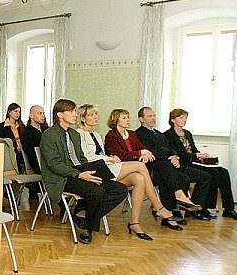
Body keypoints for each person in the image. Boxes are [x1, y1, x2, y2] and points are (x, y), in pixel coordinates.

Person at [76, 104, 181, 238]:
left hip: (106, 166)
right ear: (83, 118)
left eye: (96, 114)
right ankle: (159, 207)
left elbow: (103, 153)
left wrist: (109, 158)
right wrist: (109, 158)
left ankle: (134, 223)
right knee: (140, 166)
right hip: (94, 169)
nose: (95, 117)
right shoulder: (79, 133)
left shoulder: (96, 134)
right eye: (91, 115)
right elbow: (86, 157)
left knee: (139, 178)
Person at [40, 99, 128, 244]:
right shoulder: (49, 135)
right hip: (62, 177)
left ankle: (83, 215)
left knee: (120, 189)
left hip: (80, 172)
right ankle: (87, 226)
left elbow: (81, 159)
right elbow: (54, 164)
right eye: (72, 111)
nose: (75, 114)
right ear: (60, 115)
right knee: (97, 192)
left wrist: (93, 170)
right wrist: (79, 174)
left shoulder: (74, 134)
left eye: (75, 111)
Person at [104, 109, 203, 219]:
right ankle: (169, 204)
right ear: (116, 120)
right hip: (127, 168)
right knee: (164, 167)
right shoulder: (111, 135)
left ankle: (171, 211)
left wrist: (146, 154)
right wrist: (140, 153)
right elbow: (119, 155)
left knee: (180, 177)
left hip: (146, 166)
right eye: (124, 118)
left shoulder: (131, 134)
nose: (128, 120)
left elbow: (143, 148)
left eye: (128, 117)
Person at [165, 108, 237, 221]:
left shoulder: (187, 133)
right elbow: (178, 155)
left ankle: (229, 209)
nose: (184, 120)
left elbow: (193, 150)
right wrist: (197, 156)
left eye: (185, 118)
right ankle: (198, 208)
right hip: (181, 165)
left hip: (192, 162)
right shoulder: (168, 135)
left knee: (223, 172)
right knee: (212, 174)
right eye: (181, 118)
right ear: (173, 120)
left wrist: (203, 157)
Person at [136, 107, 214, 220]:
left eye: (154, 115)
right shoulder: (139, 134)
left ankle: (187, 208)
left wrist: (174, 156)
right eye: (149, 116)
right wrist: (170, 158)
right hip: (154, 167)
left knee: (203, 176)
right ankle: (172, 210)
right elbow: (150, 152)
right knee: (179, 177)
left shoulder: (158, 133)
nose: (153, 118)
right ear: (141, 119)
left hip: (169, 164)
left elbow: (169, 148)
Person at [0, 103, 26, 172]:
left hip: (22, 151)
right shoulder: (1, 127)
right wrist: (16, 147)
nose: (18, 114)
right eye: (15, 111)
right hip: (11, 152)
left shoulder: (22, 126)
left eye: (19, 112)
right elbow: (4, 142)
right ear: (9, 112)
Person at [21, 105, 48, 174]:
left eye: (43, 113)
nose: (43, 116)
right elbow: (32, 155)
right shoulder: (27, 133)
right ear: (31, 116)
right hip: (38, 165)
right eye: (39, 113)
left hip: (50, 162)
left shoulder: (47, 130)